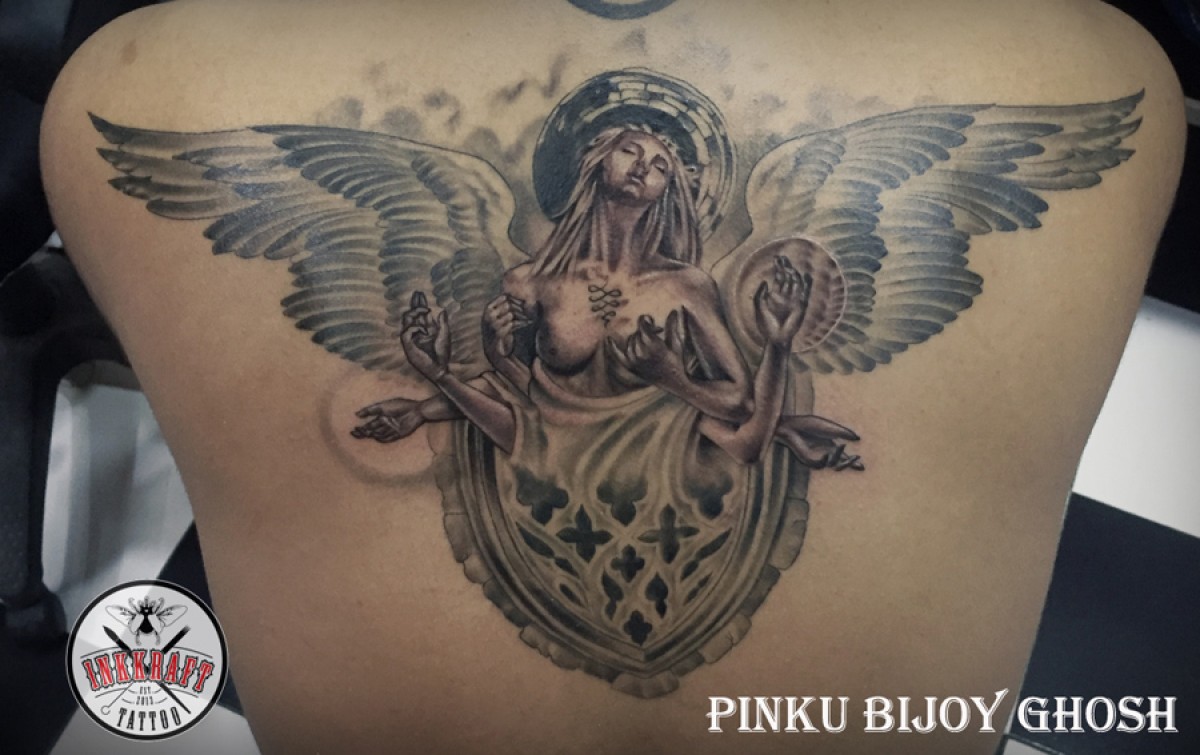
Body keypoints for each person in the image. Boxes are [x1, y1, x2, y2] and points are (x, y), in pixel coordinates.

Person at [41, 0, 1185, 752]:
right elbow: (519, 422)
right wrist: (438, 378)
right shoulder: (1083, 46)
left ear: (684, 177)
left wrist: (715, 373)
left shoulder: (154, 68)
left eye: (662, 152)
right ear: (589, 163)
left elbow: (737, 425)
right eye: (627, 145)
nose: (645, 158)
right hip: (562, 514)